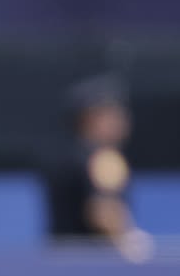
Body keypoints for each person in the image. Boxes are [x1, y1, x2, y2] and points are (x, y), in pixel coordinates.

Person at [43, 74, 152, 261]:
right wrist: (129, 242)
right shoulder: (104, 159)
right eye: (114, 113)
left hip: (61, 263)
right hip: (95, 268)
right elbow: (104, 210)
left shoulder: (66, 157)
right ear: (90, 118)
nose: (123, 120)